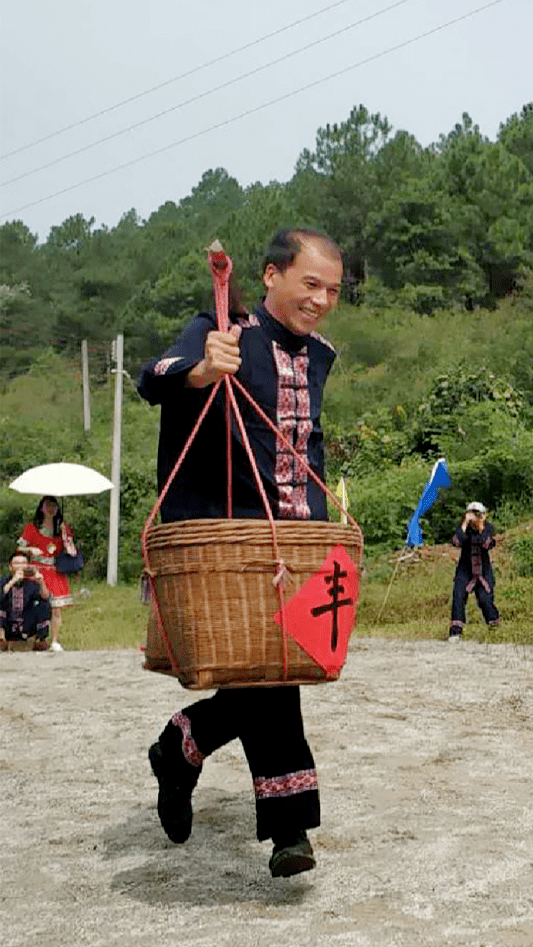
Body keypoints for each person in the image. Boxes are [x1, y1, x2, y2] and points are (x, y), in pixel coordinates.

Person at [138, 228, 344, 878]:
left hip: (295, 543)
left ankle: (182, 743)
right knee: (270, 681)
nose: (320, 299)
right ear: (270, 276)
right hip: (226, 540)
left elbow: (305, 444)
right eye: (309, 283)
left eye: (332, 289)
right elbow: (156, 378)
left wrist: (318, 527)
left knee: (272, 671)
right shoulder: (219, 328)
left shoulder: (320, 356)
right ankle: (289, 829)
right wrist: (203, 368)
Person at [17, 496, 76, 651]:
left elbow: (71, 551)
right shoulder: (31, 528)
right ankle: (34, 637)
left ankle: (55, 640)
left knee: (55, 608)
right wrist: (30, 549)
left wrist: (66, 538)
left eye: (54, 506)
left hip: (54, 571)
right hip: (36, 570)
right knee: (35, 605)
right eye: (47, 505)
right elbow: (19, 548)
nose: (51, 509)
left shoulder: (61, 529)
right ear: (41, 508)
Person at [448, 501, 501, 641]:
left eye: (478, 513)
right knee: (458, 596)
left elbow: (487, 544)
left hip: (483, 571)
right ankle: (455, 631)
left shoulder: (488, 528)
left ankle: (494, 627)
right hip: (465, 570)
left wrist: (481, 526)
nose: (475, 516)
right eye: (473, 513)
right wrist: (465, 524)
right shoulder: (462, 529)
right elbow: (456, 541)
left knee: (485, 599)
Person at [1, 551, 51, 651]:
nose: (20, 566)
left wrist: (41, 582)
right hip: (8, 620)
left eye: (23, 563)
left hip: (26, 620)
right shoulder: (4, 581)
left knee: (44, 605)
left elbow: (46, 597)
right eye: (16, 563)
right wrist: (13, 581)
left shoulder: (32, 582)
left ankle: (41, 639)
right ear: (10, 567)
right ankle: (1, 640)